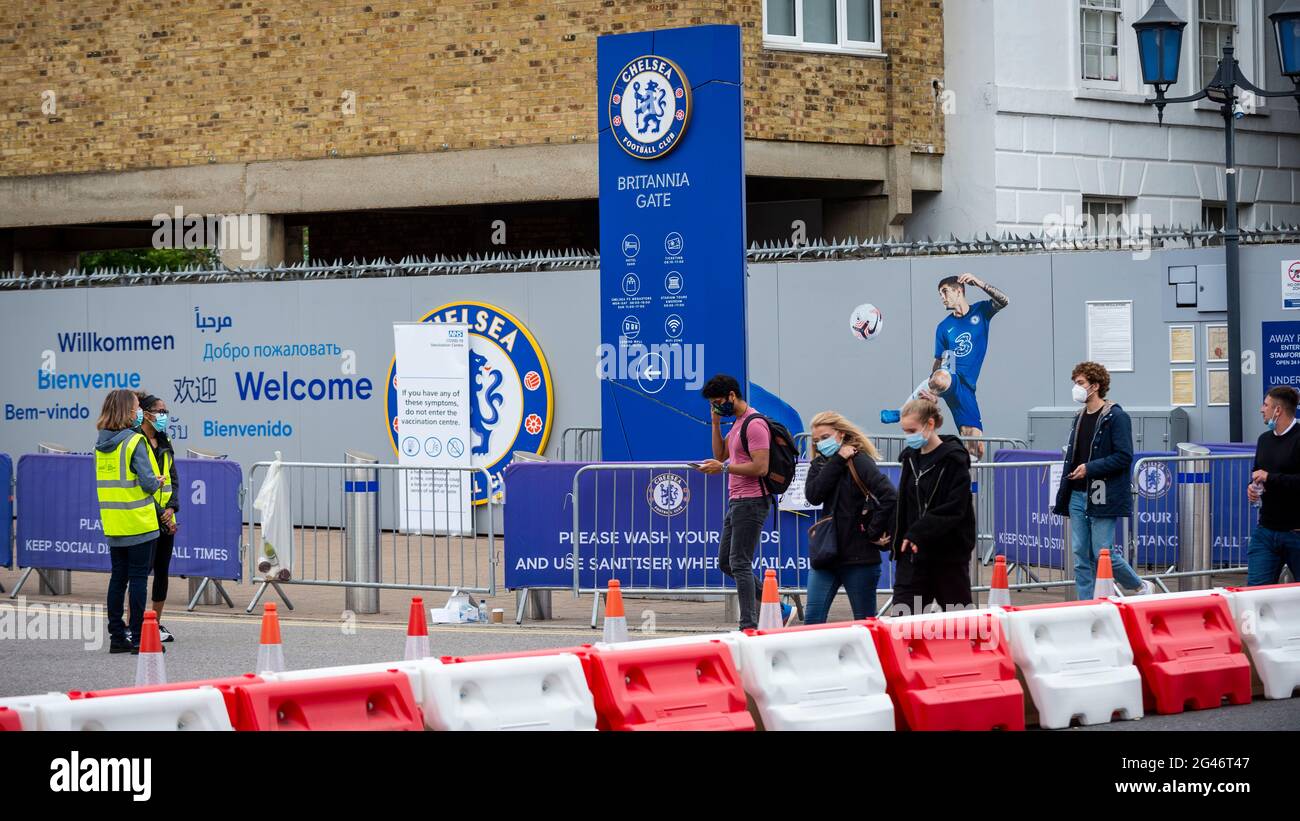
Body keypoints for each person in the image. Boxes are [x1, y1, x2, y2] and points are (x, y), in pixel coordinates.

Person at [1052, 362, 1154, 599]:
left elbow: (1124, 456)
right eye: (1075, 383)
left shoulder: (1116, 417)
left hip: (1103, 491)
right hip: (1077, 493)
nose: (1076, 388)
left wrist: (1089, 468)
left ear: (1095, 386)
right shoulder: (1078, 417)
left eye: (1080, 384)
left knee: (1101, 552)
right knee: (1080, 553)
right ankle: (1087, 603)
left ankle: (1139, 586)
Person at [697, 374, 791, 630]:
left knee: (739, 562)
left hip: (752, 500)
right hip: (736, 500)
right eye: (712, 404)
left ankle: (747, 624)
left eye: (718, 402)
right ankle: (778, 607)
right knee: (726, 562)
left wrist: (724, 469)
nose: (716, 407)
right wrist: (715, 423)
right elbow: (720, 454)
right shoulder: (736, 423)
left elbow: (761, 467)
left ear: (732, 396)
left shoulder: (754, 423)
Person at [802, 411, 897, 622]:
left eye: (825, 437)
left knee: (865, 624)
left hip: (859, 558)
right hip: (826, 556)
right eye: (817, 441)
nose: (821, 444)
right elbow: (814, 495)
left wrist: (873, 532)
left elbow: (890, 495)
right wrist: (837, 460)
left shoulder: (860, 461)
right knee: (811, 621)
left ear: (841, 434)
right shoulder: (818, 465)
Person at [890, 399, 976, 613]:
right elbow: (906, 504)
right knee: (904, 621)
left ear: (930, 424)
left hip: (947, 556)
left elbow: (954, 508)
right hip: (912, 557)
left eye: (912, 430)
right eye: (904, 431)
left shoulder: (953, 461)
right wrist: (893, 533)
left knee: (959, 623)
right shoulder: (910, 459)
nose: (908, 436)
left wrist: (919, 532)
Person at [95, 389, 164, 654]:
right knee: (137, 580)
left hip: (114, 522)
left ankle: (116, 636)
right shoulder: (135, 442)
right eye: (136, 406)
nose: (139, 411)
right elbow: (147, 482)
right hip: (138, 522)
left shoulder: (100, 445)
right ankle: (138, 637)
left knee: (118, 579)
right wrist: (156, 482)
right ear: (126, 410)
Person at [925, 273, 1010, 460]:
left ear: (959, 290)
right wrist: (932, 388)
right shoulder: (944, 327)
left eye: (945, 292)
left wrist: (979, 283)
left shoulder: (981, 311)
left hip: (968, 389)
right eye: (940, 294)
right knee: (940, 377)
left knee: (976, 449)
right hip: (952, 380)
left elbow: (1004, 301)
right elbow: (939, 361)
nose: (942, 297)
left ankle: (969, 489)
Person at [1246, 386, 1300, 585]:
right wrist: (1252, 487)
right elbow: (1258, 474)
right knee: (1255, 594)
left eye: (1266, 405)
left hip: (1296, 533)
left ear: (1278, 410)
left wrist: (1270, 477)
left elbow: (1271, 476)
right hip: (1266, 531)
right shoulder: (1264, 440)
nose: (1262, 409)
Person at [138, 392, 180, 643]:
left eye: (166, 412)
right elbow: (138, 483)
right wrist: (158, 512)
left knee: (162, 570)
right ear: (145, 413)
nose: (163, 416)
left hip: (165, 516)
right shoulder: (135, 441)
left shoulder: (165, 440)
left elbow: (173, 477)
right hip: (144, 515)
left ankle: (156, 623)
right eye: (159, 411)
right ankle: (135, 624)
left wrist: (172, 508)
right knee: (141, 572)